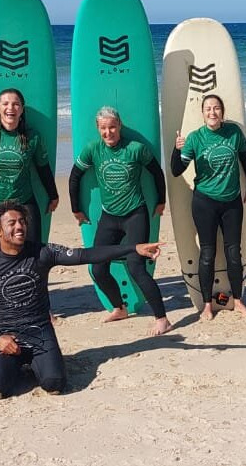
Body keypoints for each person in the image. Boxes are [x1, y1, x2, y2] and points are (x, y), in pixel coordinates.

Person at [0, 201, 164, 399]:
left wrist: (133, 248)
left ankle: (41, 362)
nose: (19, 227)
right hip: (8, 338)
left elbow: (85, 255)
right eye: (12, 223)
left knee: (54, 385)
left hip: (41, 335)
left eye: (22, 222)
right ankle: (17, 365)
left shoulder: (42, 253)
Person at [68, 106, 171, 335]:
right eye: (103, 128)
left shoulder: (135, 149)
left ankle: (162, 318)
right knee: (98, 269)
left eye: (112, 127)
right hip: (109, 216)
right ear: (98, 129)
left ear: (119, 126)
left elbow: (156, 172)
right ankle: (119, 308)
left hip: (135, 214)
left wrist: (161, 202)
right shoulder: (93, 150)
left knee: (136, 268)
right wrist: (76, 209)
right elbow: (76, 175)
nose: (108, 132)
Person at [170, 94, 246, 319]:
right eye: (208, 108)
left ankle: (238, 301)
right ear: (202, 112)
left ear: (222, 111)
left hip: (231, 202)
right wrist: (176, 149)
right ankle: (207, 304)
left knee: (233, 254)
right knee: (207, 253)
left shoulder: (233, 133)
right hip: (205, 202)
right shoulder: (196, 138)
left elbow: (245, 159)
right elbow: (177, 170)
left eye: (216, 108)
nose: (212, 112)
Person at [0, 88, 59, 259]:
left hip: (23, 201)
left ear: (22, 109)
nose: (10, 108)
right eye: (5, 103)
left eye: (16, 104)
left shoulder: (32, 137)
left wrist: (53, 195)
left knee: (33, 250)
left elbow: (43, 168)